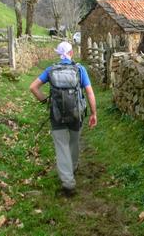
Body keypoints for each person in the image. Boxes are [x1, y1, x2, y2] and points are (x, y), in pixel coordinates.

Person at [30, 41, 97, 197]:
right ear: (71, 53)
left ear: (58, 54)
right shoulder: (80, 70)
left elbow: (33, 87)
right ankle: (72, 168)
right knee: (74, 141)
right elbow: (90, 93)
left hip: (57, 115)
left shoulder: (50, 70)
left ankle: (68, 182)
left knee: (61, 146)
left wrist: (45, 100)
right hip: (76, 114)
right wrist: (93, 113)